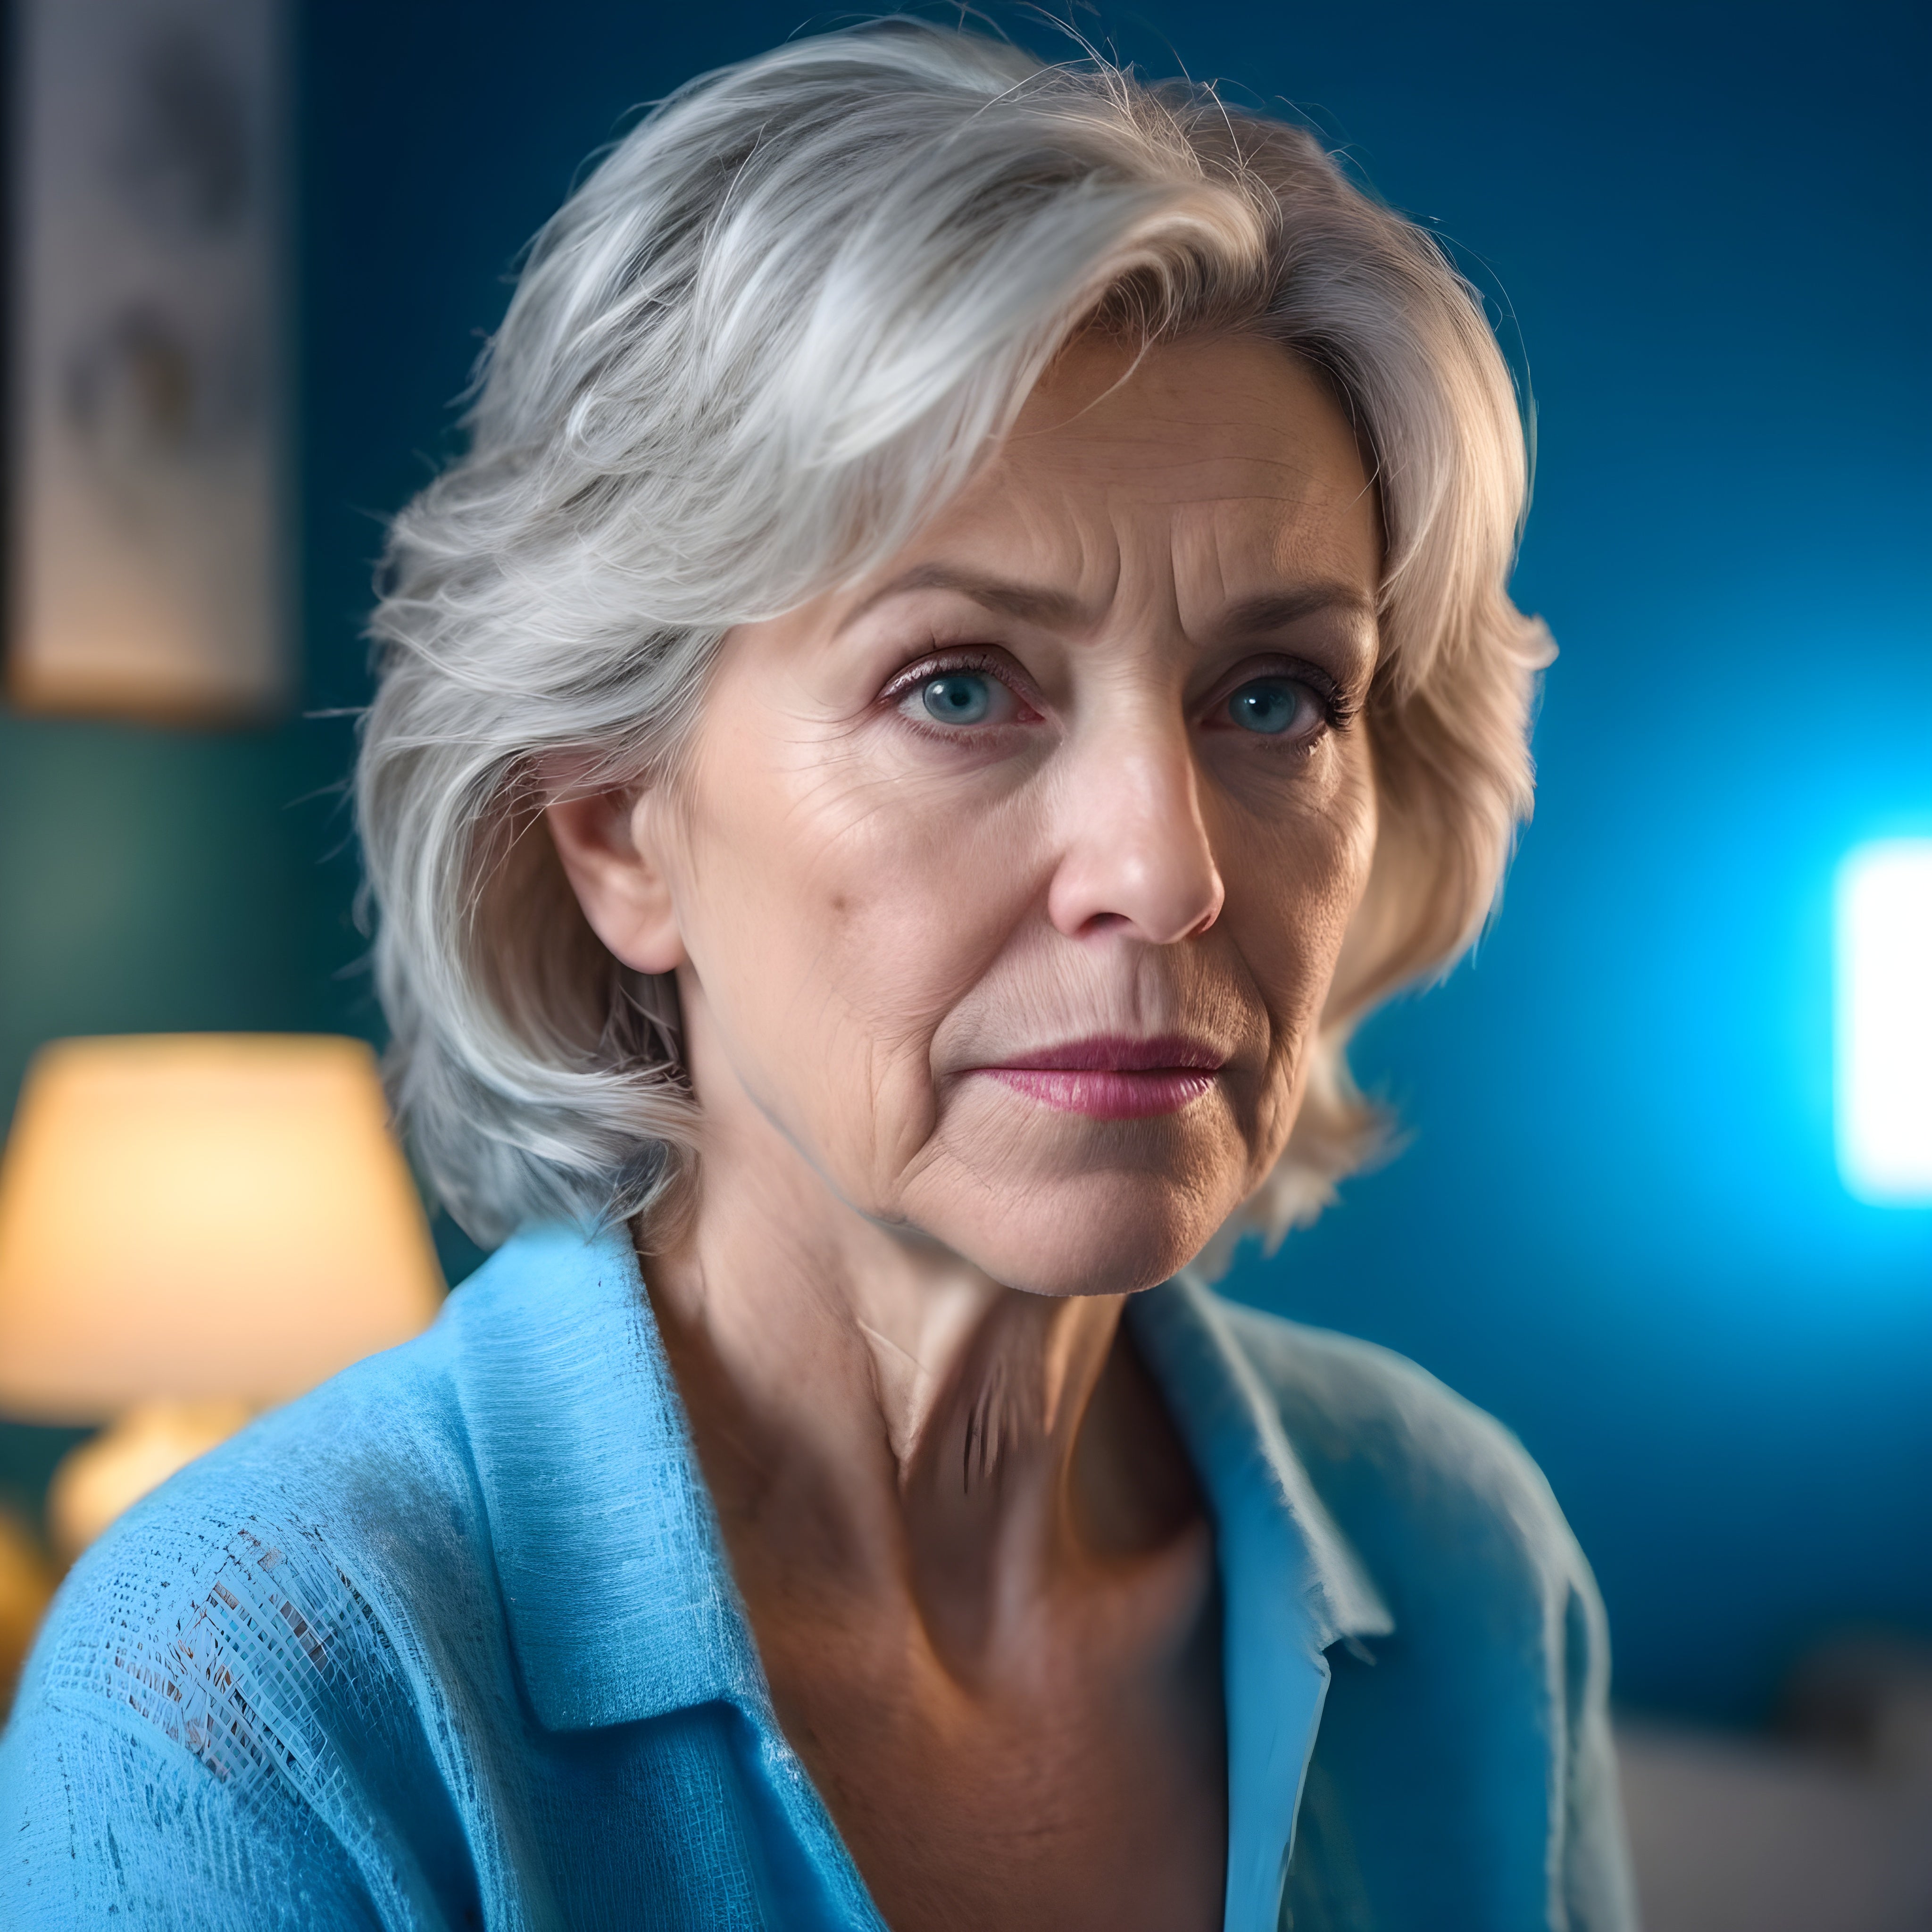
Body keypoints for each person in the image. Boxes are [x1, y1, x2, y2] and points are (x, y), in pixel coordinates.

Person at [0, 24, 1636, 1930]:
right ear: (616, 831)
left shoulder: (1459, 1556)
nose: (1168, 871)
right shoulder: (245, 1696)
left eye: (1274, 698)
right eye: (960, 687)